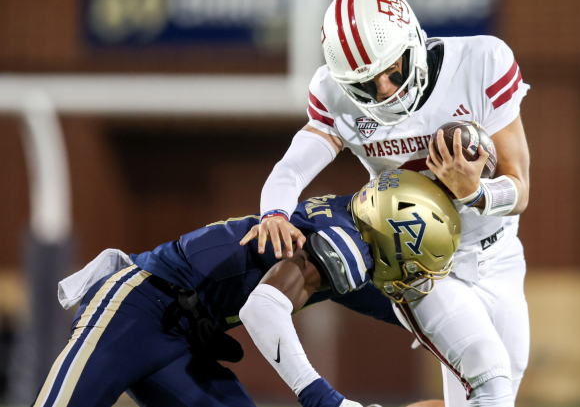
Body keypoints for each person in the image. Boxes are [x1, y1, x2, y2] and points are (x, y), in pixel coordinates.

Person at [244, 0, 531, 407]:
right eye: (365, 82)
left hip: (499, 254)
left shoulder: (480, 63)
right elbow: (293, 167)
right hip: (420, 264)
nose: (384, 89)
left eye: (392, 69)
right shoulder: (334, 95)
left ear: (412, 39)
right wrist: (274, 212)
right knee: (489, 377)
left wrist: (474, 193)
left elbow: (520, 190)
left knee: (484, 397)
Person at [32, 170, 461, 407]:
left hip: (185, 338)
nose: (413, 275)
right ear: (391, 233)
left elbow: (439, 329)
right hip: (138, 305)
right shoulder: (341, 242)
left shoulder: (360, 239)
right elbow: (263, 310)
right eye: (414, 261)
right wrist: (323, 398)